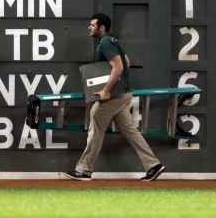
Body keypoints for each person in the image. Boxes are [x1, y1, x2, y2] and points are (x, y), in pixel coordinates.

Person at [62, 13, 166, 181]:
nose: (90, 27)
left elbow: (118, 67)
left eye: (93, 25)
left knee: (95, 122)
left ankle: (84, 170)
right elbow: (126, 61)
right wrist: (120, 82)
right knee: (131, 131)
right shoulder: (112, 41)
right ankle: (153, 165)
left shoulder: (105, 42)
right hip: (123, 94)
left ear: (102, 27)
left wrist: (106, 90)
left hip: (114, 96)